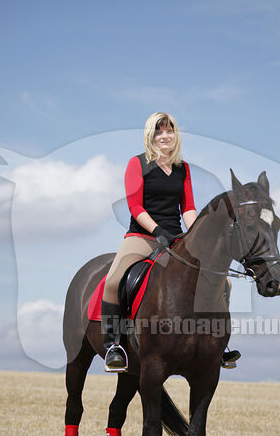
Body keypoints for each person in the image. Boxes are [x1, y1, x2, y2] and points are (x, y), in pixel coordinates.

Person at [101, 111, 240, 371]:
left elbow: (188, 207)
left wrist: (197, 235)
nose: (164, 136)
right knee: (113, 281)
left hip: (176, 238)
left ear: (175, 135)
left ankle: (217, 345)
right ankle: (114, 346)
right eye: (159, 131)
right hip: (142, 236)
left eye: (169, 130)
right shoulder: (137, 164)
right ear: (150, 136)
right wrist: (157, 231)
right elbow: (135, 205)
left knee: (226, 282)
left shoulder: (183, 168)